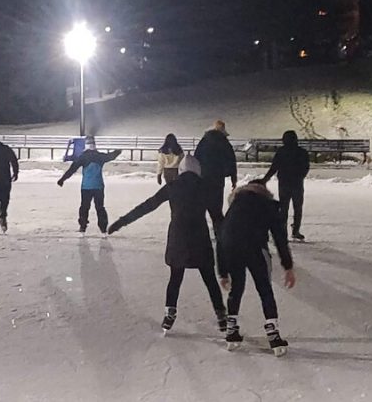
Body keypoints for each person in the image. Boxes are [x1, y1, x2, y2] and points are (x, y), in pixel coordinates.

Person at [108, 156, 227, 333]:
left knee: (175, 277)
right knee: (209, 277)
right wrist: (229, 237)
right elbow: (218, 218)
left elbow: (148, 205)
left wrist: (122, 222)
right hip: (199, 236)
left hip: (178, 237)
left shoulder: (173, 186)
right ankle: (221, 315)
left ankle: (169, 314)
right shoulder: (205, 188)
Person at [217, 179, 296, 356]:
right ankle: (273, 334)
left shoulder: (234, 206)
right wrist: (288, 266)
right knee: (265, 289)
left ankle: (231, 331)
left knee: (236, 289)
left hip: (232, 248)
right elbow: (279, 237)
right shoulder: (267, 205)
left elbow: (222, 236)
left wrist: (222, 272)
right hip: (255, 248)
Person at [57, 136, 122, 234]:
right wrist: (117, 151)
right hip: (98, 186)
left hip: (86, 187)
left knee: (84, 207)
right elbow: (110, 156)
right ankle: (103, 228)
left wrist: (62, 179)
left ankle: (83, 227)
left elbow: (72, 169)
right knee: (100, 207)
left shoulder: (83, 157)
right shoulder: (100, 156)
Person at [262, 130, 310, 241]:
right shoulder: (302, 152)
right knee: (297, 207)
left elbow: (274, 167)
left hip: (284, 182)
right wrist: (301, 176)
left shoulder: (281, 152)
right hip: (297, 183)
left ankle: (283, 231)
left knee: (284, 208)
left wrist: (265, 179)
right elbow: (306, 167)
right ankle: (296, 230)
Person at [193, 120, 237, 236]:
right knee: (216, 210)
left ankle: (200, 235)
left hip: (202, 178)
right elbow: (231, 160)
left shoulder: (204, 141)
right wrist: (233, 178)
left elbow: (196, 158)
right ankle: (220, 234)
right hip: (217, 179)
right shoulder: (224, 143)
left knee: (200, 208)